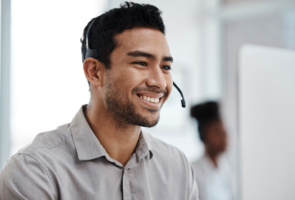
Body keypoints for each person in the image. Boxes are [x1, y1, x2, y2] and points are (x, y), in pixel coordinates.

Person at [0, 2, 198, 200]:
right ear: (94, 72)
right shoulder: (34, 171)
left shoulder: (177, 167)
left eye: (165, 67)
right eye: (141, 63)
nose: (159, 82)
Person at [191, 101, 236, 200]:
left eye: (224, 132)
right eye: (217, 132)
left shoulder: (227, 168)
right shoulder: (193, 171)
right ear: (203, 136)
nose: (224, 137)